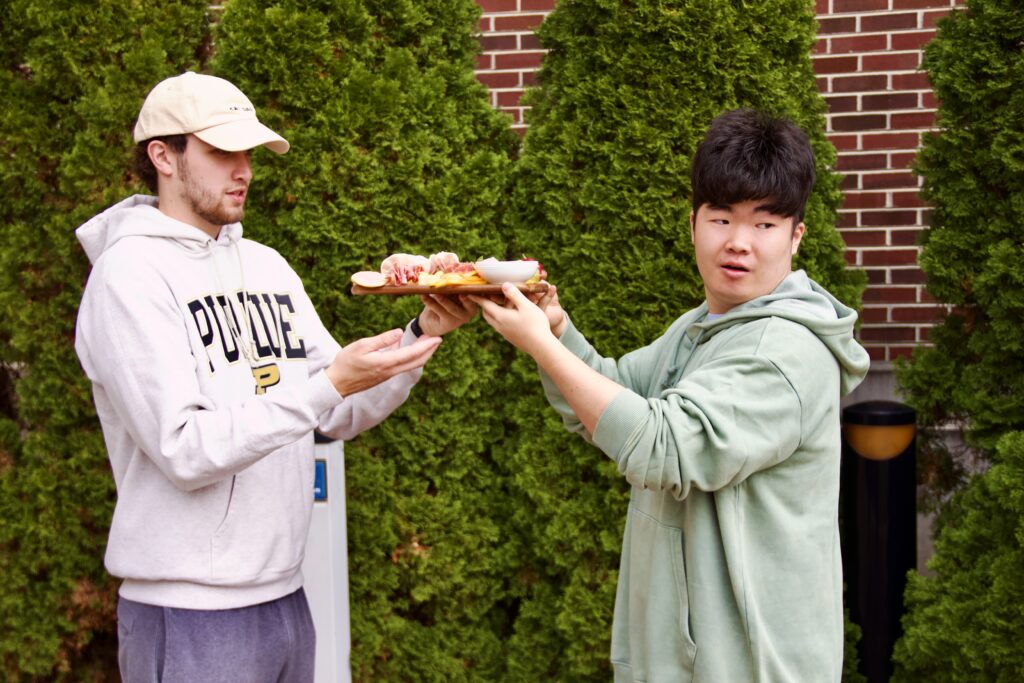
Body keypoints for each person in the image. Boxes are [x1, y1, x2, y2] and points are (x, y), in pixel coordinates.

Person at [73, 71, 477, 683]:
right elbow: (184, 448)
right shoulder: (127, 275)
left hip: (287, 595)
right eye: (220, 151)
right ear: (163, 156)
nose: (243, 169)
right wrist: (328, 384)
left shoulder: (266, 265)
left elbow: (335, 413)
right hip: (189, 613)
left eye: (248, 152)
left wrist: (423, 332)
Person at [472, 108, 870, 682]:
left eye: (764, 224)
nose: (738, 243)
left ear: (796, 236)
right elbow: (611, 399)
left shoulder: (783, 353)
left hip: (751, 666)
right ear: (692, 224)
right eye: (721, 218)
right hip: (685, 660)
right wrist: (556, 330)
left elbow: (664, 448)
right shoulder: (703, 326)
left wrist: (542, 347)